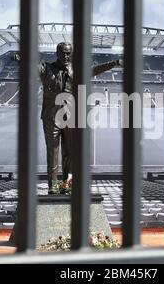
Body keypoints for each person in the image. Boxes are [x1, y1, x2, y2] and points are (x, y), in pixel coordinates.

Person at [15, 42, 123, 194]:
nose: (66, 56)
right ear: (57, 53)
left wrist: (114, 63)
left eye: (68, 53)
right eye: (63, 53)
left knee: (71, 154)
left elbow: (95, 70)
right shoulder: (47, 68)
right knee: (52, 152)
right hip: (51, 117)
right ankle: (53, 186)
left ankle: (68, 185)